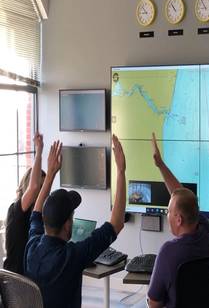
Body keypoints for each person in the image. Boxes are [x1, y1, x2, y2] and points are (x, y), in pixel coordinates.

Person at [24, 135, 127, 308]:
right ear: (67, 224)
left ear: (45, 221)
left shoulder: (32, 246)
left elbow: (36, 212)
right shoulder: (71, 257)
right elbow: (117, 224)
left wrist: (50, 175)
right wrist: (121, 171)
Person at [147, 133, 209, 308]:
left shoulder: (169, 252)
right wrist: (160, 165)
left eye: (168, 211)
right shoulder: (206, 232)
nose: (166, 214)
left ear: (178, 219)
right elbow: (184, 199)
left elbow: (154, 303)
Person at [4, 132, 46, 274]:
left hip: (26, 277)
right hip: (19, 280)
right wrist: (39, 150)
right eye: (42, 188)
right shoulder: (16, 211)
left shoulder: (36, 215)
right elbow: (33, 188)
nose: (43, 193)